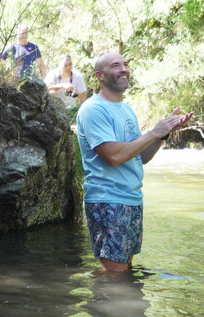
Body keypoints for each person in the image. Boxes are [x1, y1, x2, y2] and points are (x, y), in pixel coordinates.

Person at [76, 52, 192, 273]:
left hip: (131, 199)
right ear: (100, 75)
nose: (124, 69)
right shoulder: (93, 110)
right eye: (116, 66)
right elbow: (113, 156)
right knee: (114, 274)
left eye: (125, 65)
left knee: (124, 269)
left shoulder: (126, 109)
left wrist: (163, 135)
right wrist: (154, 131)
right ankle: (102, 306)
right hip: (108, 200)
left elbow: (141, 157)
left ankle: (117, 307)